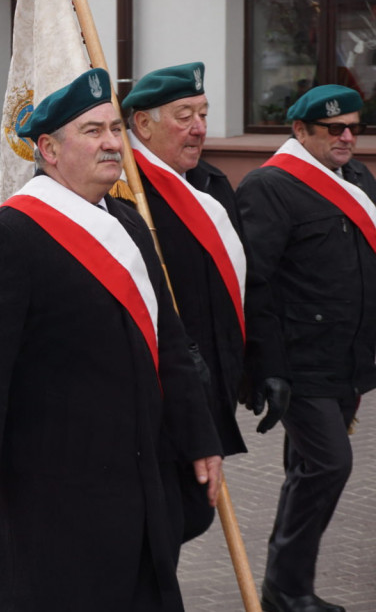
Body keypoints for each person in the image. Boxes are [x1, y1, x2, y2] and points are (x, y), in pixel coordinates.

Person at [0, 68, 222, 611]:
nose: (113, 142)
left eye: (115, 128)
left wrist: (199, 436)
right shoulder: (10, 234)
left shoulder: (130, 223)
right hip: (52, 494)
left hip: (141, 482)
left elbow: (170, 342)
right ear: (48, 148)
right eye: (92, 131)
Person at [237, 84, 376, 612]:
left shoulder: (358, 178)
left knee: (307, 468)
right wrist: (267, 366)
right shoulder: (270, 186)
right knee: (328, 465)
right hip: (301, 360)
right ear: (300, 130)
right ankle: (287, 589)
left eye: (354, 128)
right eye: (333, 128)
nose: (346, 137)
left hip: (347, 360)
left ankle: (287, 583)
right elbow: (257, 283)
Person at [122, 62, 248, 556]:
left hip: (208, 383)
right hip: (157, 389)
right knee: (164, 520)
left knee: (191, 511)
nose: (199, 127)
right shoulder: (124, 195)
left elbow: (244, 283)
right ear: (143, 125)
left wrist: (256, 368)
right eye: (184, 115)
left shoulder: (213, 185)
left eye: (203, 113)